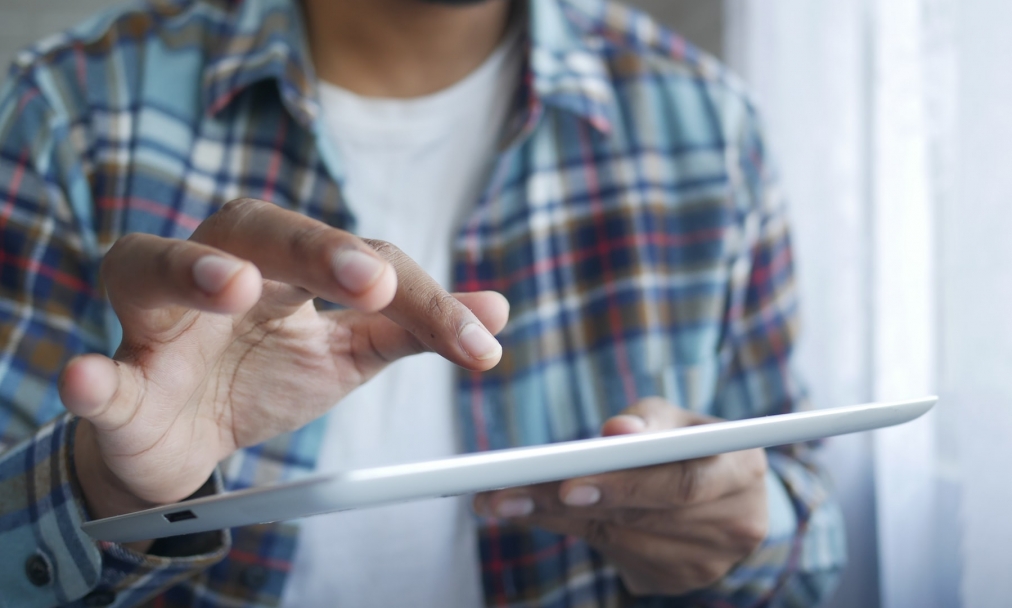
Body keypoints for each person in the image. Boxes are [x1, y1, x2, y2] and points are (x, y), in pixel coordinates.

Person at [0, 0, 846, 606]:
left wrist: (750, 530)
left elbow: (807, 523)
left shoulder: (706, 126)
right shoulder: (70, 113)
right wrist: (105, 490)